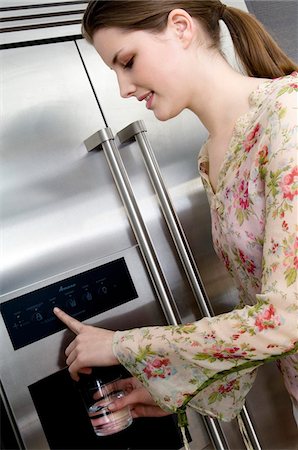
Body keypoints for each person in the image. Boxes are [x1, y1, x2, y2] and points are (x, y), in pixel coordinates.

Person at [54, 0, 298, 432]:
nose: (124, 89)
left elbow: (286, 320)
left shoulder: (288, 117)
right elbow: (256, 308)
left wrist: (125, 345)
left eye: (127, 62)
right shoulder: (212, 157)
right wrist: (176, 387)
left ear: (181, 27)